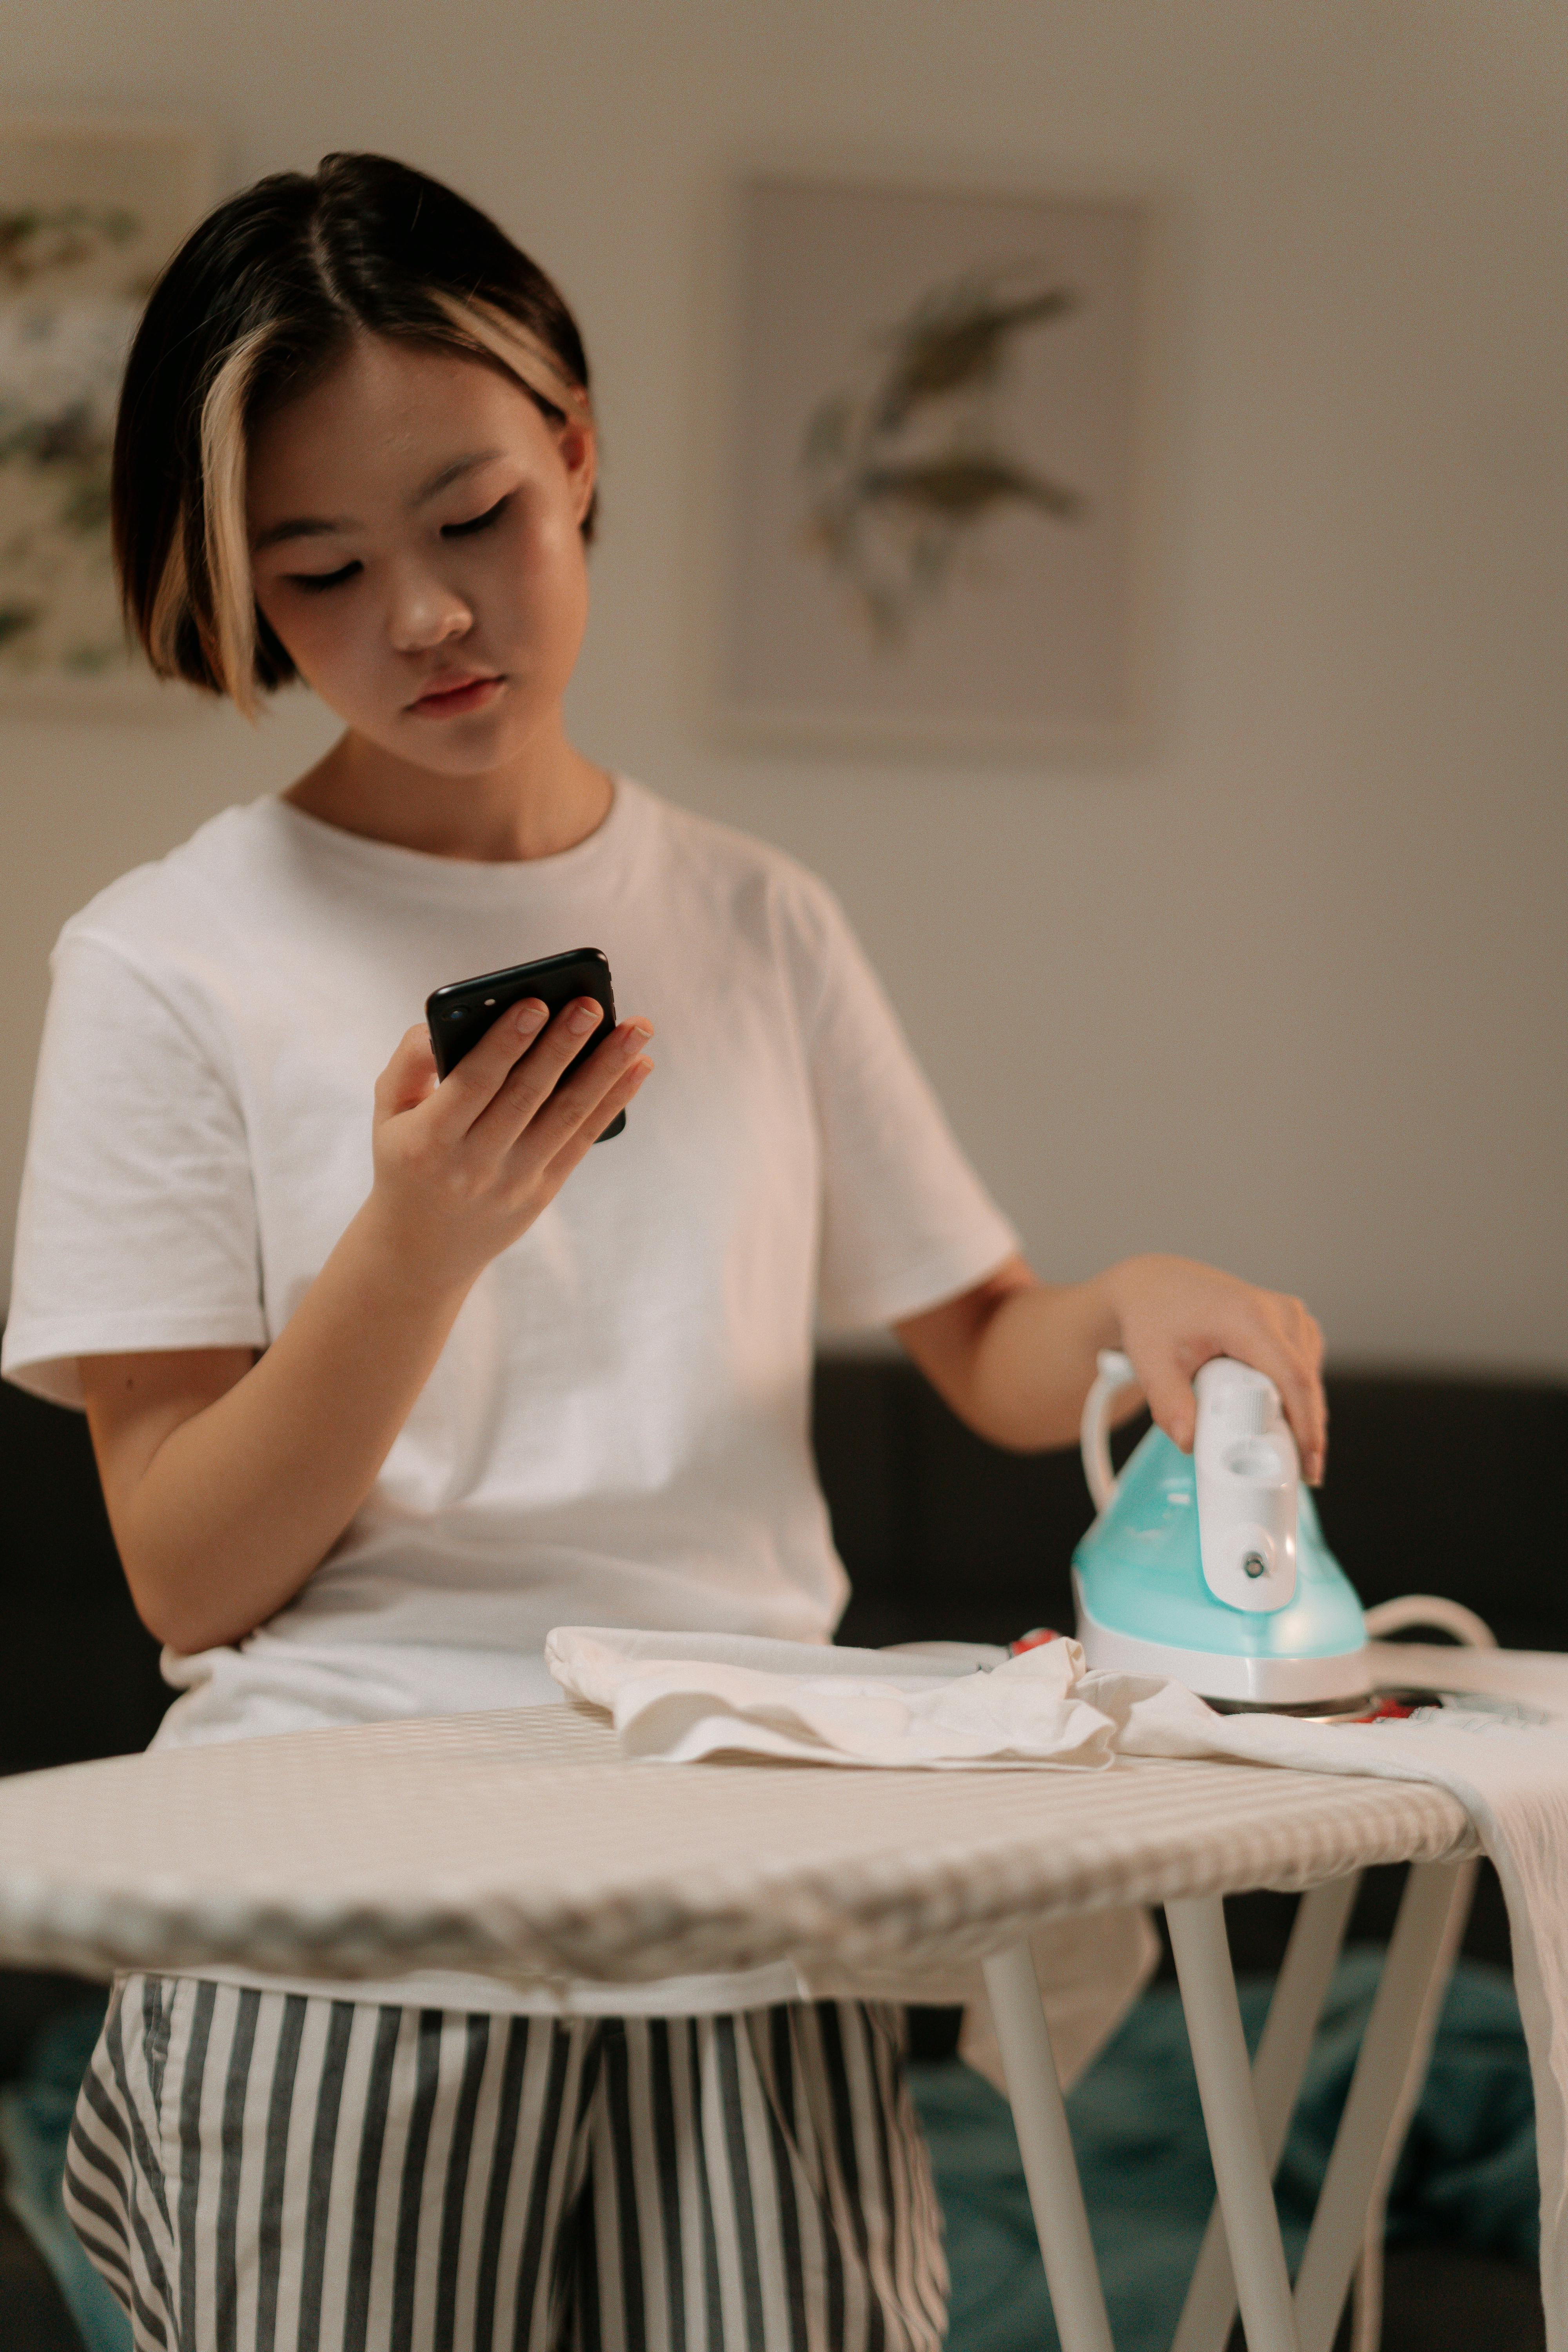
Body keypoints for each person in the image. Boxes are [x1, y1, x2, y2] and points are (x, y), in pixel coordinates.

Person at [1, 154, 1326, 2352]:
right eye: (320, 570)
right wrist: (414, 1250)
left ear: (579, 457)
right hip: (345, 1849)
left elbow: (987, 1336)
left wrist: (1134, 1316)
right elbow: (183, 1573)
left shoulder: (752, 916)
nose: (422, 614)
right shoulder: (162, 963)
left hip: (742, 1816)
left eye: (475, 520)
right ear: (240, 585)